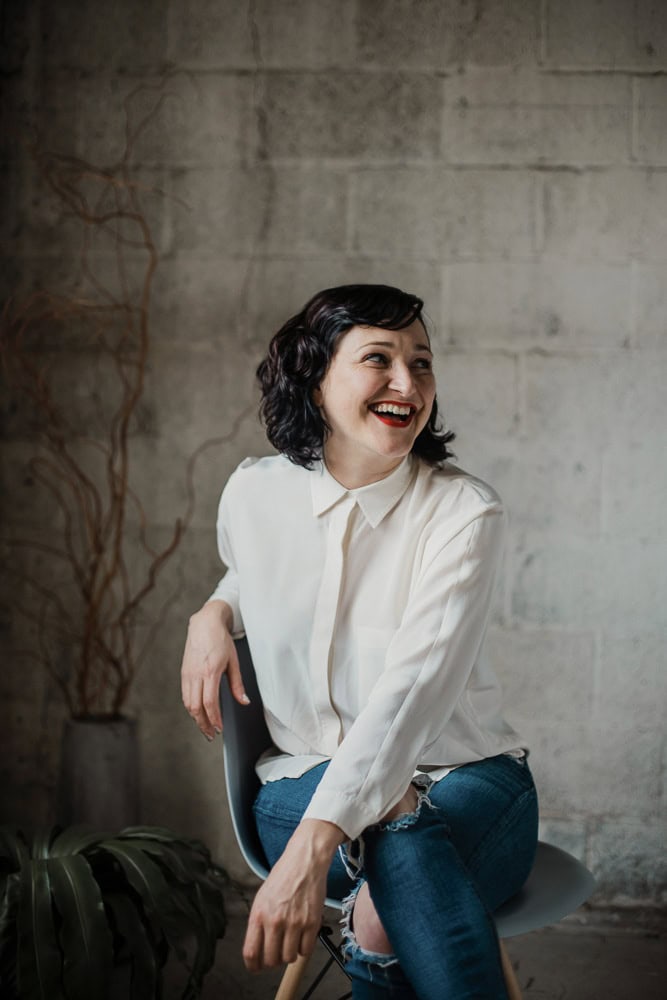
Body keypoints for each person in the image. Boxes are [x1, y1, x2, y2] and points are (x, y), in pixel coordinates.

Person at [181, 284, 538, 999]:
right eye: (378, 358)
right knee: (389, 861)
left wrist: (315, 845)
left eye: (421, 362)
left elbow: (409, 697)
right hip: (301, 778)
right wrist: (214, 611)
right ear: (314, 379)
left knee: (381, 904)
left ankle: (374, 907)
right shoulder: (253, 493)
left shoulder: (463, 514)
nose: (408, 382)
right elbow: (249, 569)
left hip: (465, 775)